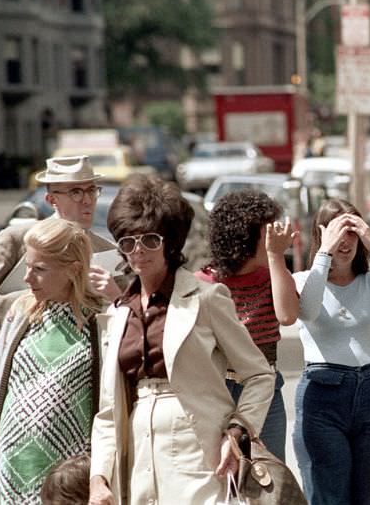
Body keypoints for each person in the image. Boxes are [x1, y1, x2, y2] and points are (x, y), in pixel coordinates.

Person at [88, 176, 275, 505]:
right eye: (127, 242)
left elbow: (259, 374)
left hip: (200, 452)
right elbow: (107, 411)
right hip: (138, 452)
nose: (138, 251)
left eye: (150, 239)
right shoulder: (119, 312)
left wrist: (237, 431)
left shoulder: (206, 298)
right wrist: (99, 477)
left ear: (170, 242)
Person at [292, 198, 370, 505]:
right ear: (321, 234)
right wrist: (324, 252)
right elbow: (306, 310)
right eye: (337, 231)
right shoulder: (305, 280)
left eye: (352, 231)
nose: (345, 241)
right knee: (328, 493)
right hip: (323, 394)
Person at [0, 219, 104, 504]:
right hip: (9, 471)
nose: (27, 278)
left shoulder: (99, 320)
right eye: (27, 266)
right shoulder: (21, 311)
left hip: (66, 479)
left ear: (73, 270)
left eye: (39, 269)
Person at [196, 190, 299, 461]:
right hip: (217, 390)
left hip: (266, 392)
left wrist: (277, 257)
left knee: (270, 474)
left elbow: (287, 316)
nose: (274, 239)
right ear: (244, 238)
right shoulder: (205, 284)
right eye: (268, 233)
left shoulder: (272, 275)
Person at [0, 155, 120, 350]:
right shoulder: (17, 239)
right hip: (21, 359)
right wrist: (31, 299)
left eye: (92, 190)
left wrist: (113, 295)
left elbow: (124, 313)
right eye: (76, 192)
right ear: (51, 199)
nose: (87, 200)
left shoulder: (108, 250)